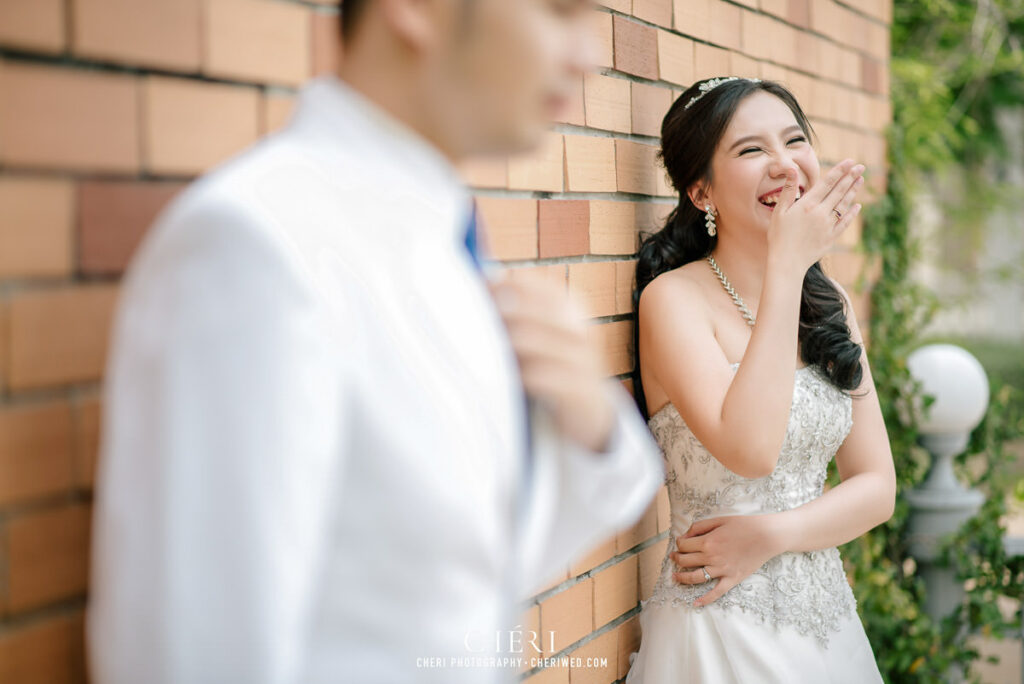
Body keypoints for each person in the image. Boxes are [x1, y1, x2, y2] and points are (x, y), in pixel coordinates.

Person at [86, 1, 665, 682]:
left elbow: (461, 570)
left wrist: (590, 421)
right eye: (558, 9)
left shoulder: (447, 243)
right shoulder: (255, 249)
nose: (587, 55)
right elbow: (196, 656)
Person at [623, 76, 897, 683]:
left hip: (827, 630)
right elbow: (750, 450)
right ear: (701, 191)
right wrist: (788, 265)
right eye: (750, 151)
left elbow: (877, 486)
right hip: (717, 628)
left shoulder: (830, 304)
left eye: (794, 140)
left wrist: (771, 535)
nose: (784, 164)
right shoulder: (672, 302)